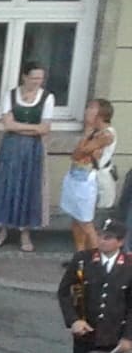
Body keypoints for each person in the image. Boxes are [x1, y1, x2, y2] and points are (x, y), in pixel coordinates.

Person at [0, 62, 52, 248]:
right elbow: (8, 125)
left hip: (33, 149)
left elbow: (45, 128)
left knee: (29, 187)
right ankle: (3, 229)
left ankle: (25, 233)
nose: (37, 82)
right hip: (11, 147)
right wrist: (34, 128)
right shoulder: (11, 95)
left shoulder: (47, 97)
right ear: (24, 77)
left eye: (40, 78)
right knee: (8, 185)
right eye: (34, 78)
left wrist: (19, 128)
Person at [60, 98, 116, 254]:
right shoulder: (93, 132)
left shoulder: (106, 134)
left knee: (86, 222)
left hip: (89, 180)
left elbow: (81, 152)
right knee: (76, 220)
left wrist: (85, 142)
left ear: (101, 113)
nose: (87, 111)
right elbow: (76, 154)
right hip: (76, 176)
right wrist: (86, 135)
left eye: (92, 108)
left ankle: (98, 258)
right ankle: (81, 256)